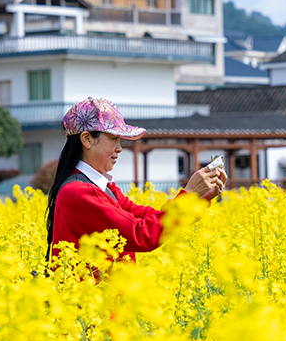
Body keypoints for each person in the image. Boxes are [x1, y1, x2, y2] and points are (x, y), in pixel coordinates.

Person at [46, 98, 226, 278]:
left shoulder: (104, 189)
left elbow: (148, 218)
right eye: (114, 138)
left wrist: (199, 198)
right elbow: (141, 234)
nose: (119, 148)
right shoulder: (78, 193)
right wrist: (188, 195)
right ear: (87, 139)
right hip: (90, 304)